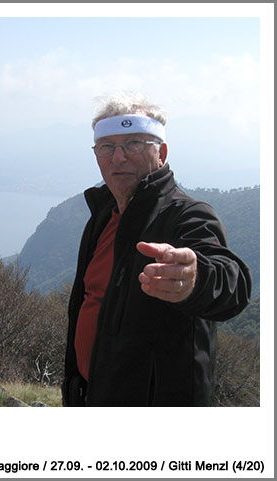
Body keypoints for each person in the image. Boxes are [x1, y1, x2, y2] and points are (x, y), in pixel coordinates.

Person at [62, 93, 252, 406]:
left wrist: (195, 278)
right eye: (107, 146)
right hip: (91, 396)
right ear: (96, 154)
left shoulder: (188, 216)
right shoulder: (103, 216)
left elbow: (232, 283)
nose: (118, 157)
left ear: (161, 152)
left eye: (134, 143)